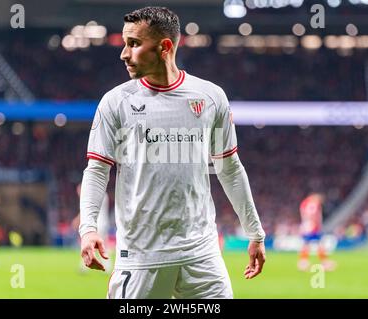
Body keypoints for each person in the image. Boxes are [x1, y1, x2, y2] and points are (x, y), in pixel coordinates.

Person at [79, 6, 266, 299]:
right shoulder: (115, 102)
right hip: (142, 257)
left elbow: (229, 168)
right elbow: (97, 170)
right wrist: (88, 229)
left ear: (165, 47)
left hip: (201, 256)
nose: (124, 54)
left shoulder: (211, 97)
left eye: (134, 44)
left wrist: (254, 232)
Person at [72, 183, 112, 273]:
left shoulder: (91, 196)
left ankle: (84, 267)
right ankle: (107, 267)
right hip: (104, 223)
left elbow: (85, 211)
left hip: (94, 225)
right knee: (103, 246)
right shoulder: (104, 194)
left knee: (88, 245)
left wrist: (76, 221)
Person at [297, 193, 336, 271]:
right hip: (312, 226)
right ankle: (324, 262)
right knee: (317, 244)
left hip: (306, 226)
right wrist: (315, 224)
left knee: (307, 244)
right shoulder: (313, 204)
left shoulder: (305, 203)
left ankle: (303, 262)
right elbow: (313, 214)